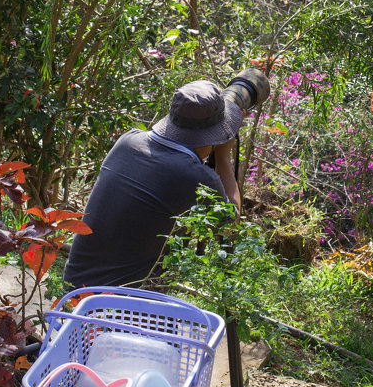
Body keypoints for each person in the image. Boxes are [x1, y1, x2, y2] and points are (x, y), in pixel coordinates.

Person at [63, 79, 242, 289]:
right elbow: (231, 225)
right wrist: (222, 157)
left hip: (73, 289)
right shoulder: (196, 176)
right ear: (210, 137)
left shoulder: (127, 141)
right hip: (124, 306)